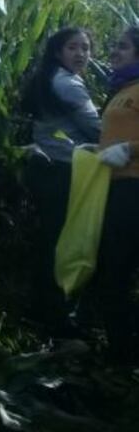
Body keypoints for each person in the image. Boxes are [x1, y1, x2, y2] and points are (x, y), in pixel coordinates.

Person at [20, 27, 100, 333]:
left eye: (86, 48)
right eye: (73, 47)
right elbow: (96, 130)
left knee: (50, 241)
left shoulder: (50, 78)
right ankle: (55, 316)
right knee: (62, 244)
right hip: (62, 171)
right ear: (58, 52)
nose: (81, 54)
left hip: (46, 168)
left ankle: (41, 310)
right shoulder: (67, 84)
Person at [94, 26, 139, 361]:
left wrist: (130, 149)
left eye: (122, 46)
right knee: (115, 270)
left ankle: (123, 354)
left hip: (135, 186)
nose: (114, 51)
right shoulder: (122, 89)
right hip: (117, 188)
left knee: (119, 270)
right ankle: (121, 351)